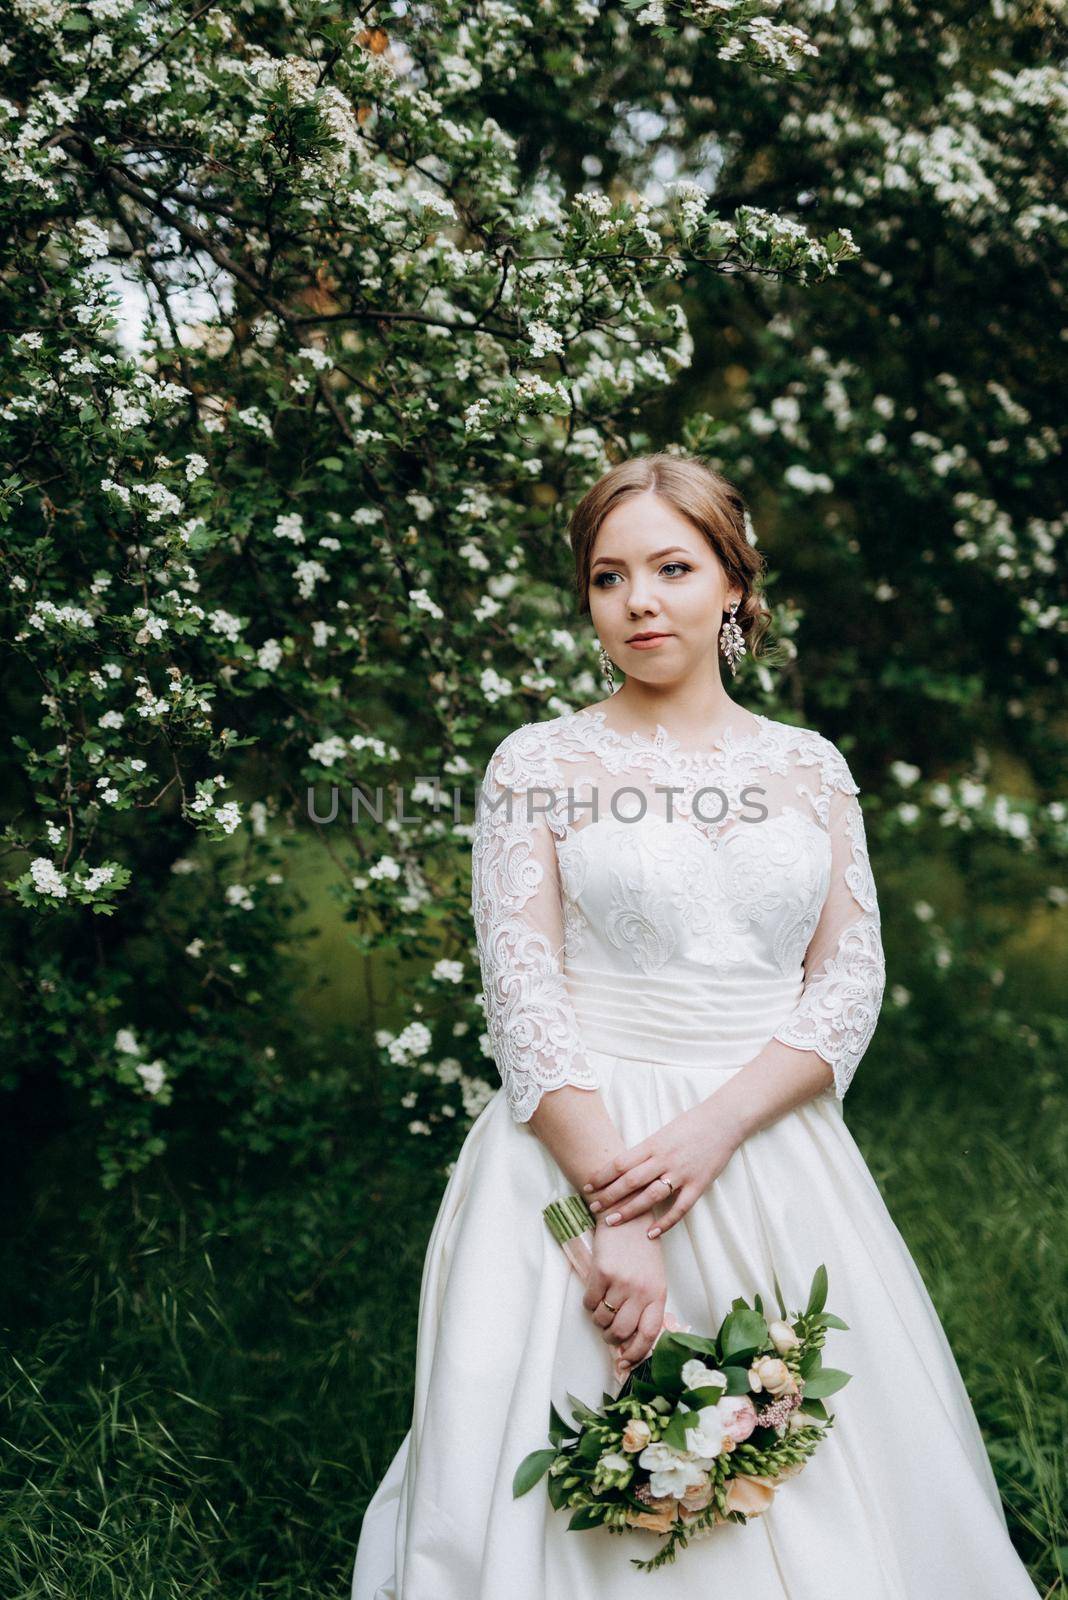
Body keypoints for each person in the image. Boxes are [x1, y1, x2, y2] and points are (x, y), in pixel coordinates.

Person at [352, 454, 1041, 1598]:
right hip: (579, 1145)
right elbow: (524, 999)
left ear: (734, 584)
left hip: (765, 1140)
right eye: (609, 575)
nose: (639, 600)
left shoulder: (808, 768)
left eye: (673, 567)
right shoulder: (538, 765)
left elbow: (847, 980)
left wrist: (717, 1129)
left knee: (822, 1459)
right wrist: (613, 1218)